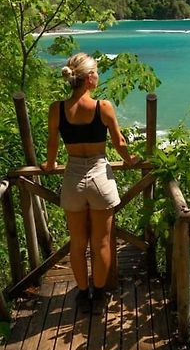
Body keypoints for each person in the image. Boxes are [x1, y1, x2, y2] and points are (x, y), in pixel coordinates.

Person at [41, 52, 140, 315]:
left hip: (73, 177)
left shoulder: (57, 109)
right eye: (95, 72)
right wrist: (130, 160)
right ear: (87, 79)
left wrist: (50, 166)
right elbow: (119, 143)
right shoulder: (102, 107)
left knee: (77, 242)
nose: (97, 76)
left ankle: (82, 294)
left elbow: (52, 146)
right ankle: (98, 297)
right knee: (102, 243)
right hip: (99, 175)